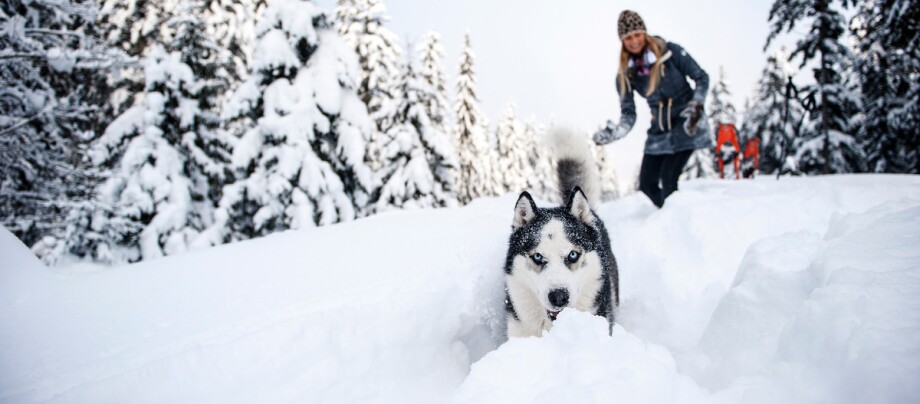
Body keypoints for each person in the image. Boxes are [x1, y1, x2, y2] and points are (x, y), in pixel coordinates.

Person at [593, 10, 713, 208]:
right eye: (628, 37)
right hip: (660, 127)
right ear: (622, 41)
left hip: (687, 120)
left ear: (645, 33)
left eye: (637, 34)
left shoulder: (670, 52)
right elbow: (628, 113)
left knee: (668, 177)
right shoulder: (625, 75)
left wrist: (696, 105)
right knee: (647, 184)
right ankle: (669, 215)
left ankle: (679, 220)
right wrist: (617, 131)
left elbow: (701, 77)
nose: (634, 41)